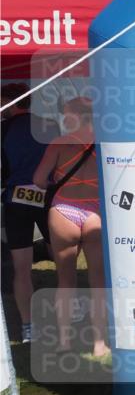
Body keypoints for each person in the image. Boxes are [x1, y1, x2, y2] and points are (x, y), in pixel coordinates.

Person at [32, 97, 109, 357]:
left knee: (65, 281)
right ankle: (99, 344)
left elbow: (38, 180)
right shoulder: (105, 140)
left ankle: (65, 342)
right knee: (98, 281)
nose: (64, 119)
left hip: (64, 210)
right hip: (95, 212)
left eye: (67, 115)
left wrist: (54, 180)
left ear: (77, 115)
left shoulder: (58, 143)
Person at [1, 83, 58, 342]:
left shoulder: (3, 129)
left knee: (21, 267)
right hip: (49, 195)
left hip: (17, 199)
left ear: (11, 103)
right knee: (64, 260)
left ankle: (28, 327)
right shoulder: (50, 125)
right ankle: (73, 312)